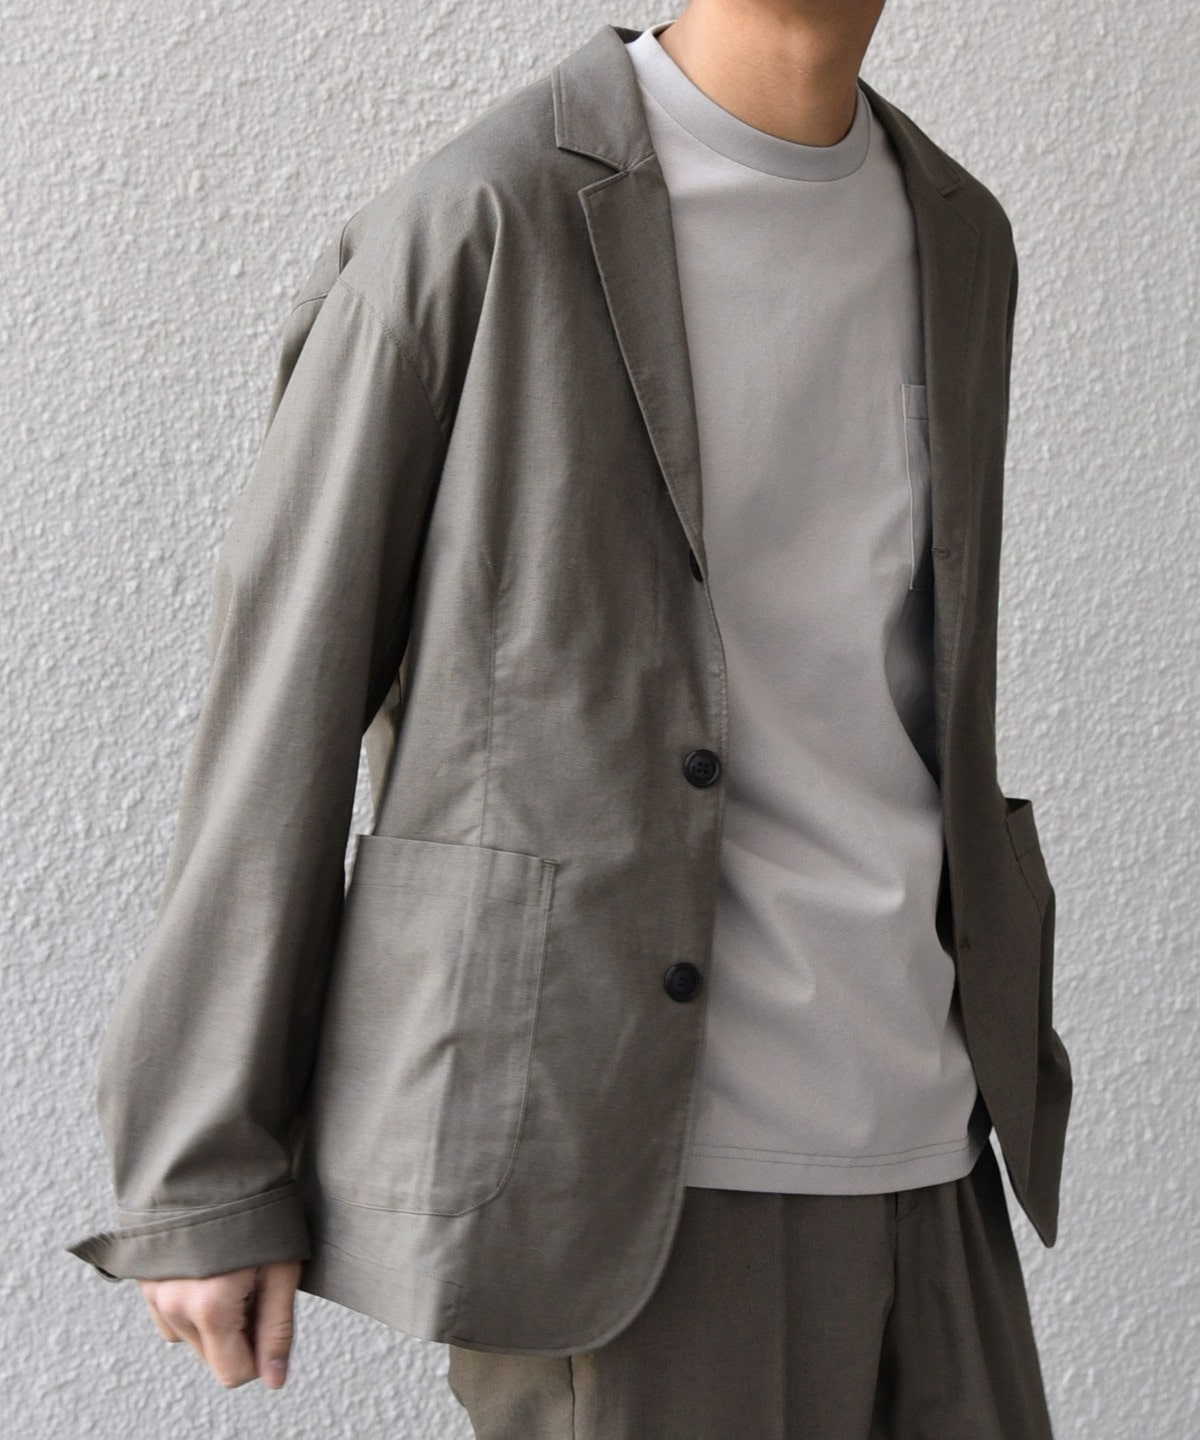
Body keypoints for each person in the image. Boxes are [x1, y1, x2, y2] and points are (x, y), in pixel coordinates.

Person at [67, 5, 1072, 1437]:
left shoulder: (960, 234)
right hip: (623, 1172)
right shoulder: (482, 221)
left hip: (932, 1124)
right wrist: (201, 1163)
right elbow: (288, 687)